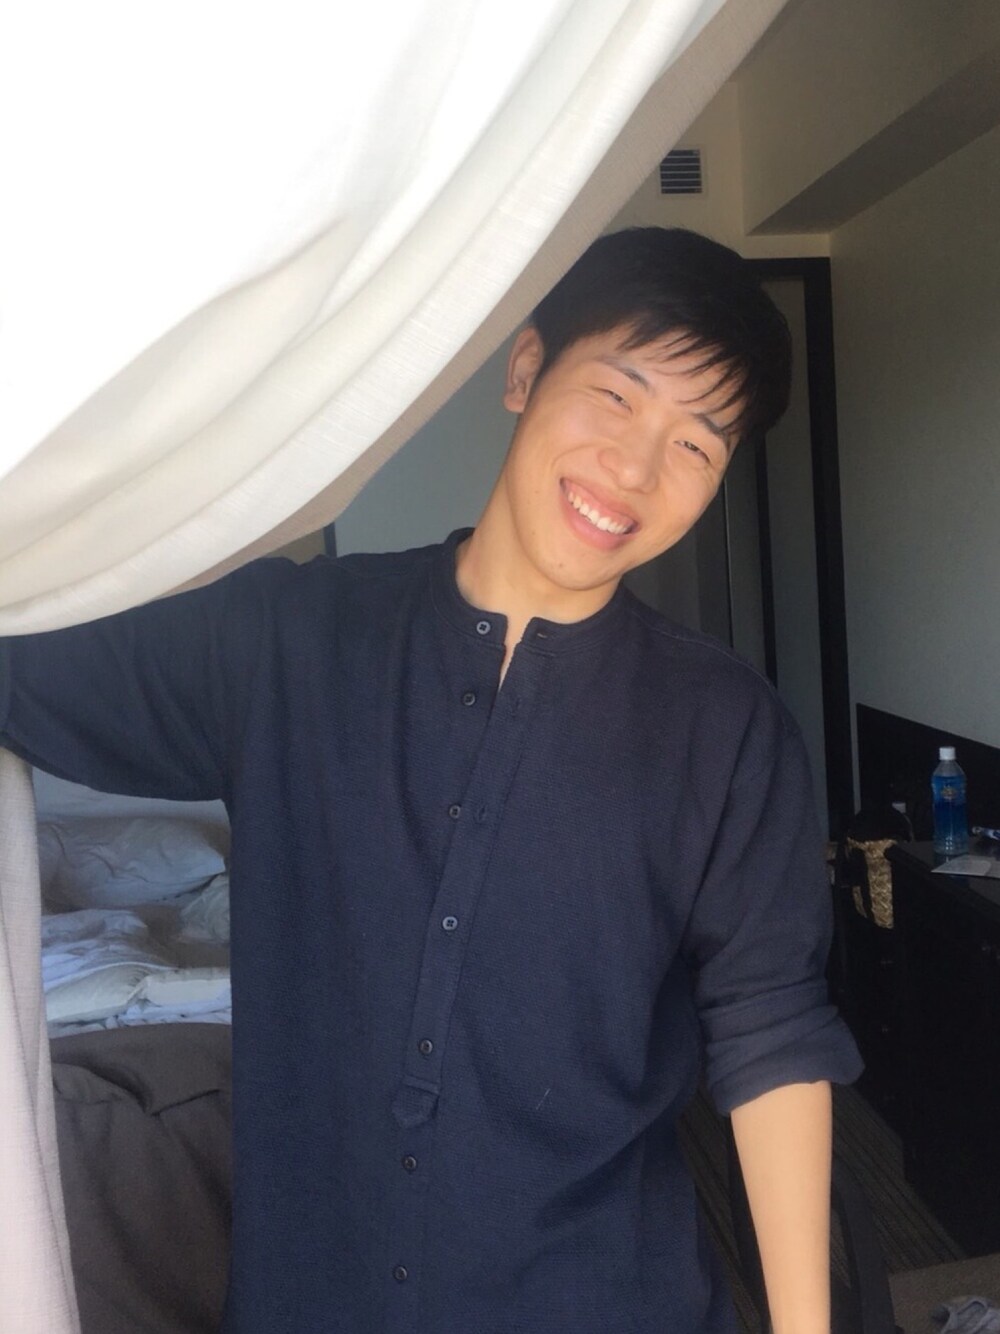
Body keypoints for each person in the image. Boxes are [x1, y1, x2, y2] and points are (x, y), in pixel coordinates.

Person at [1, 227, 861, 1334]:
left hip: (603, 1300)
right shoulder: (292, 637)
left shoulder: (728, 729)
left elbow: (772, 1033)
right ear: (525, 368)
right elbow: (28, 665)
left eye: (696, 446)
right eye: (615, 395)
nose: (636, 469)